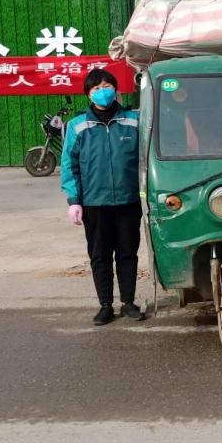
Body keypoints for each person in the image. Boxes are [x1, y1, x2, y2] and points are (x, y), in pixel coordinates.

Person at [61, 69, 145, 326]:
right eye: (96, 89)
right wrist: (74, 200)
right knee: (100, 255)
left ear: (115, 89)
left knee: (127, 253)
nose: (102, 92)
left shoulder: (134, 121)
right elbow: (70, 165)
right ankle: (105, 305)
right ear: (88, 94)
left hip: (128, 200)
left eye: (106, 86)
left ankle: (128, 302)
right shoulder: (77, 125)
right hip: (94, 203)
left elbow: (146, 160)